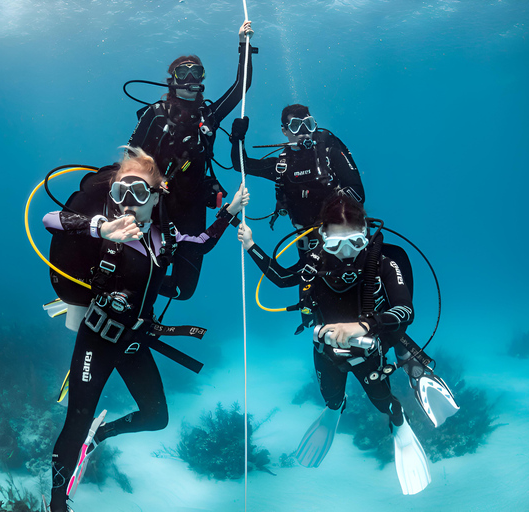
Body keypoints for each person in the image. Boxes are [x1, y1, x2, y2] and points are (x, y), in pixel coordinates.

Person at [43, 147, 248, 512]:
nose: (127, 202)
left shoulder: (165, 237)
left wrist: (229, 211)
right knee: (76, 420)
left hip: (134, 342)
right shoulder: (106, 229)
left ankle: (101, 434)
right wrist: (100, 228)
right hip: (97, 339)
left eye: (138, 193)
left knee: (156, 418)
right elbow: (51, 219)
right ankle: (57, 504)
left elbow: (202, 243)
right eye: (120, 192)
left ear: (156, 197)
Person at [237, 195, 431, 495]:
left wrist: (364, 326)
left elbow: (405, 310)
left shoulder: (383, 262)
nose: (346, 254)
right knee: (331, 398)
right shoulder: (314, 262)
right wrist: (251, 245)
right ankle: (333, 411)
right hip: (325, 350)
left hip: (368, 349)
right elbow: (281, 277)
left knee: (383, 401)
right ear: (322, 236)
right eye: (335, 244)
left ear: (366, 233)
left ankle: (399, 422)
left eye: (355, 242)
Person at [127, 20, 257, 301]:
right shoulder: (156, 113)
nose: (189, 77)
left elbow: (241, 86)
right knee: (145, 267)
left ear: (202, 78)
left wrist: (244, 44)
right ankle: (117, 292)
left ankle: (135, 291)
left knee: (183, 290)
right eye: (182, 72)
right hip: (156, 204)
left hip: (194, 205)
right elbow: (130, 157)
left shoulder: (208, 115)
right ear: (172, 80)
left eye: (195, 71)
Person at [230, 103, 364, 233]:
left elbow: (358, 193)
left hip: (344, 232)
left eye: (308, 124)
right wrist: (237, 139)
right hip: (307, 239)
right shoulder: (282, 167)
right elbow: (242, 165)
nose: (304, 131)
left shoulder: (330, 153)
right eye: (295, 126)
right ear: (284, 131)